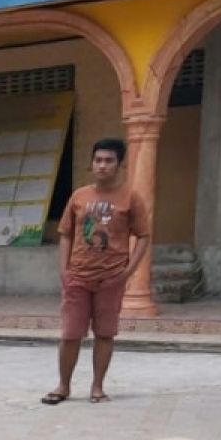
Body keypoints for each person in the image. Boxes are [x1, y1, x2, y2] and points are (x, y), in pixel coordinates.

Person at [42, 138, 149, 405]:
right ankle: (63, 385)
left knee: (105, 333)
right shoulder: (79, 196)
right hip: (78, 277)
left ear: (120, 165)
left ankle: (97, 386)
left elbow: (144, 236)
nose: (102, 166)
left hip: (111, 278)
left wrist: (128, 272)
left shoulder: (131, 197)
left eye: (108, 161)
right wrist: (63, 271)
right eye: (98, 160)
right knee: (70, 334)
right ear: (92, 163)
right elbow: (65, 233)